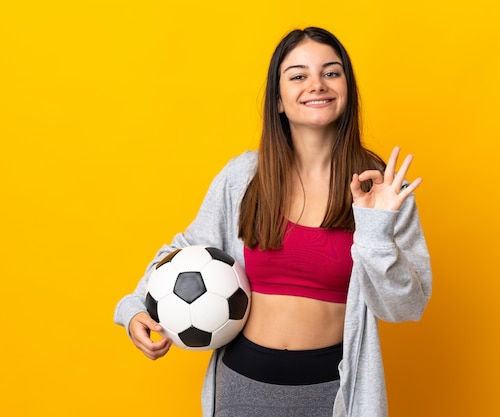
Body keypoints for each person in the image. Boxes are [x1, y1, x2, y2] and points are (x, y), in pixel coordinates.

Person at [114, 26, 432, 417]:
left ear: (347, 91)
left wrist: (376, 230)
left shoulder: (380, 187)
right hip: (242, 387)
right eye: (298, 76)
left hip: (332, 392)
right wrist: (132, 310)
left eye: (331, 73)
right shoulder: (245, 176)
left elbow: (406, 307)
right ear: (279, 100)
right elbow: (183, 251)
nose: (317, 84)